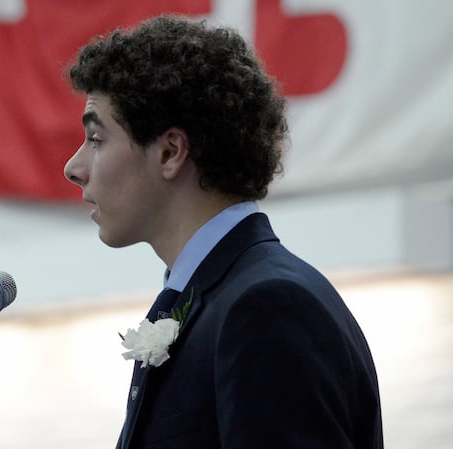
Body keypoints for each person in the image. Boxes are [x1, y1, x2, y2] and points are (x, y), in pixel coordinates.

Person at [62, 15, 383, 449]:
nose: (74, 168)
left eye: (97, 138)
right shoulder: (223, 299)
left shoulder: (266, 307)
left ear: (171, 152)